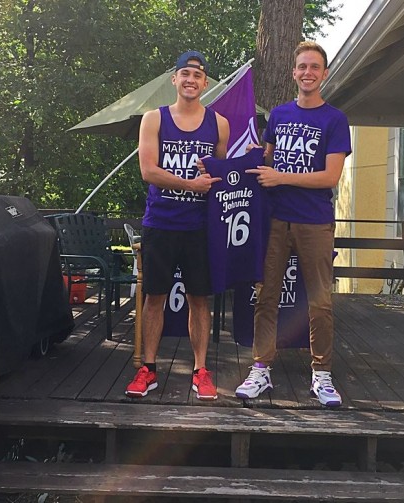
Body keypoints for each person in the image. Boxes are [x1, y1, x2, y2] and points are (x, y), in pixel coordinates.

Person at [235, 41, 351, 407]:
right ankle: (260, 369)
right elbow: (263, 162)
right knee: (266, 296)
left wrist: (281, 177)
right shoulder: (280, 116)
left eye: (314, 67)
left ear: (324, 74)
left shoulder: (335, 119)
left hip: (315, 222)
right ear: (293, 73)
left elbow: (330, 177)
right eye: (302, 66)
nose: (307, 72)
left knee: (320, 302)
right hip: (275, 221)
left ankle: (322, 376)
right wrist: (223, 166)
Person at [125, 50, 229, 400]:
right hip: (161, 222)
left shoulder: (219, 124)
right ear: (175, 79)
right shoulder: (154, 119)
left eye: (197, 76)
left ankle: (201, 371)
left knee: (199, 300)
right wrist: (190, 184)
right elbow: (148, 171)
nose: (190, 80)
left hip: (200, 227)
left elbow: (219, 175)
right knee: (154, 297)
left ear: (204, 83)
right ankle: (148, 369)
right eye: (185, 73)